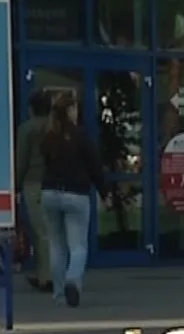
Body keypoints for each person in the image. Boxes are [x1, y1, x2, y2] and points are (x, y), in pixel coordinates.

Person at [39, 91, 106, 308]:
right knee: (77, 246)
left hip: (50, 193)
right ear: (70, 110)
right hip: (76, 194)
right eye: (75, 108)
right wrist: (105, 193)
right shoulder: (81, 136)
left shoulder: (48, 137)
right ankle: (72, 281)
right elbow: (95, 167)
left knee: (56, 245)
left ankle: (58, 294)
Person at [15, 90, 52, 292]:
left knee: (41, 232)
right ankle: (57, 274)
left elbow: (22, 160)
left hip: (34, 183)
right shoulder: (55, 127)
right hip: (56, 183)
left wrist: (16, 185)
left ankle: (45, 277)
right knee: (54, 231)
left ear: (31, 108)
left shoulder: (27, 129)